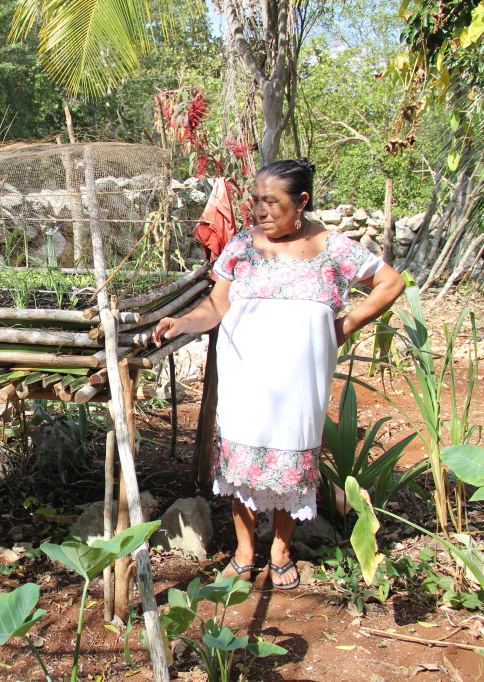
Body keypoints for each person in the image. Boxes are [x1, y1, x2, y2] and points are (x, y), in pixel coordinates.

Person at [152, 159, 405, 589]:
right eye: (255, 201)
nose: (261, 211)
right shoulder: (243, 246)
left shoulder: (332, 247)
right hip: (245, 376)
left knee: (291, 462)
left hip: (299, 382)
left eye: (272, 202)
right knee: (241, 464)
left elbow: (390, 283)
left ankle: (280, 549)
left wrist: (344, 326)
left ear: (301, 201)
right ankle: (245, 550)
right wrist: (183, 323)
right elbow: (217, 306)